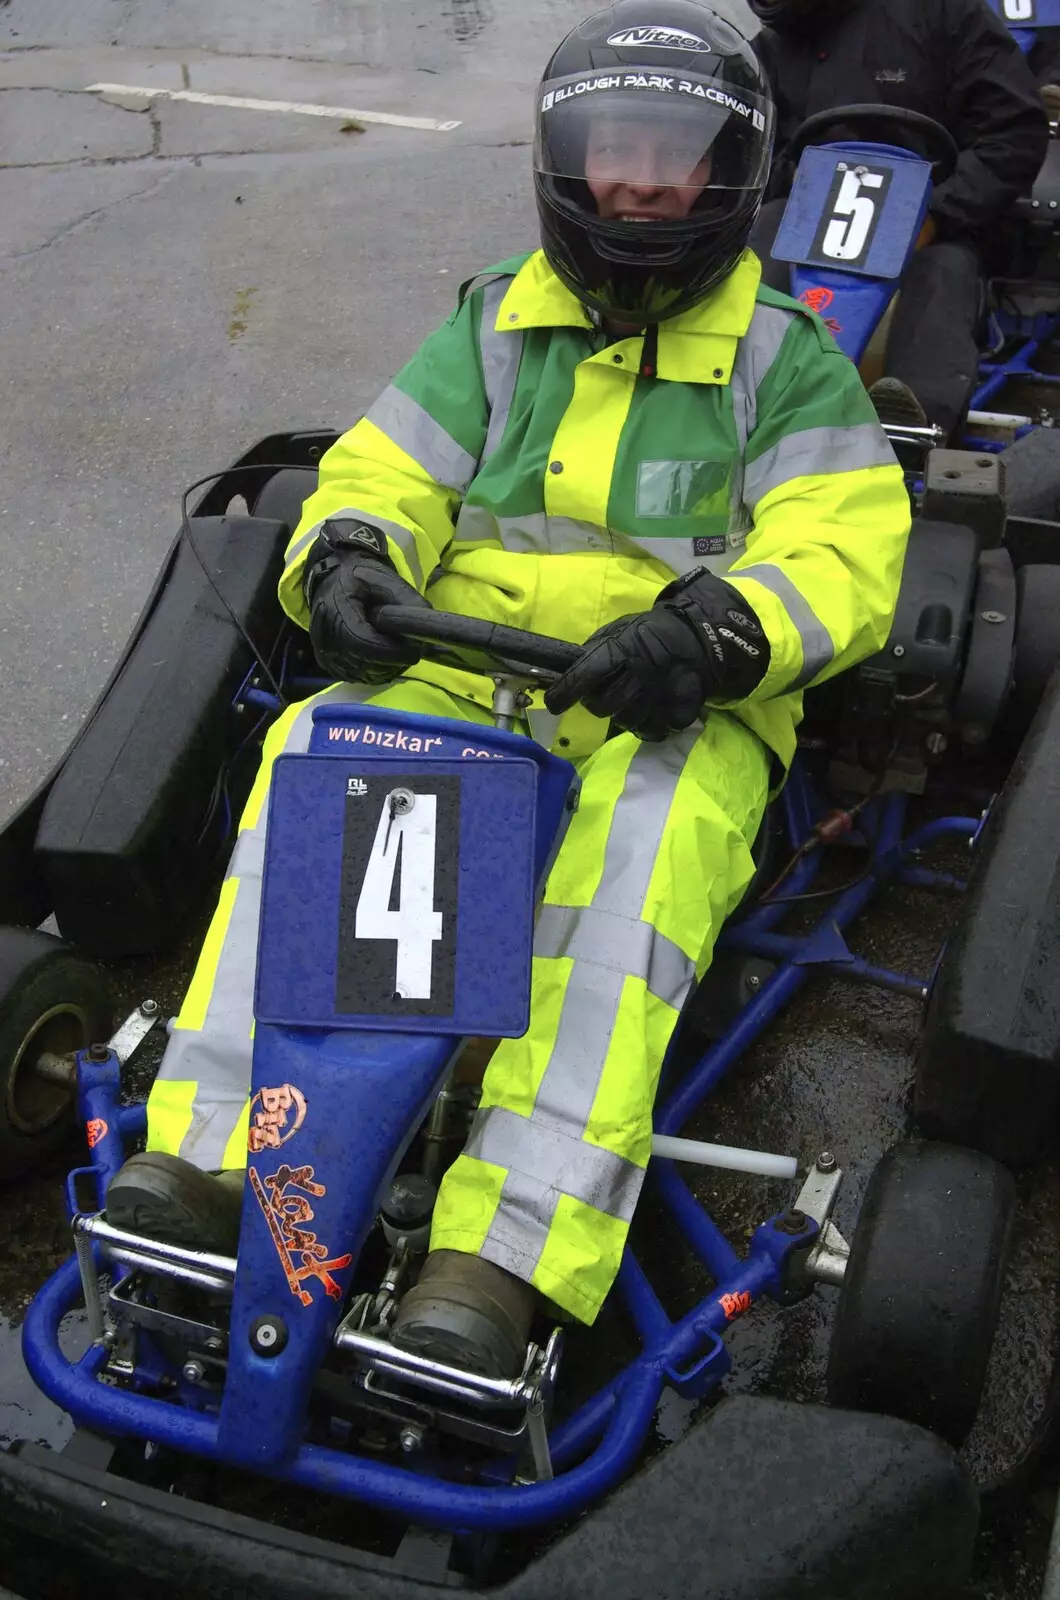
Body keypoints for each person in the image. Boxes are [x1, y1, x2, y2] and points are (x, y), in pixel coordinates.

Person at [106, 0, 911, 1379]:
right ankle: (218, 1155)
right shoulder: (493, 325)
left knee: (634, 870)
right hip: (470, 672)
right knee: (316, 759)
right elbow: (381, 472)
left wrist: (714, 628)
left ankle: (509, 1243)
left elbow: (844, 545)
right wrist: (349, 556)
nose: (642, 187)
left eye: (676, 158)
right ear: (563, 165)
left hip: (678, 706)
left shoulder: (785, 359)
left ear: (731, 173)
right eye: (617, 155)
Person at [746, 0, 1049, 436]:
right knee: (754, 251)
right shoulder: (766, 51)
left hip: (937, 222)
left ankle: (914, 425)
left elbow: (1013, 132)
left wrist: (936, 213)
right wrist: (794, 182)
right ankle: (738, 396)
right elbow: (748, 152)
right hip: (805, 220)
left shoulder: (944, 14)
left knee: (945, 271)